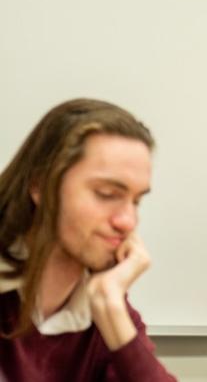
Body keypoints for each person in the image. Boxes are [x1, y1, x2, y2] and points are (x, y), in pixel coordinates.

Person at [0, 99, 176, 381]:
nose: (128, 222)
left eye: (136, 201)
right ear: (40, 186)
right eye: (106, 193)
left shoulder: (106, 307)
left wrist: (112, 309)